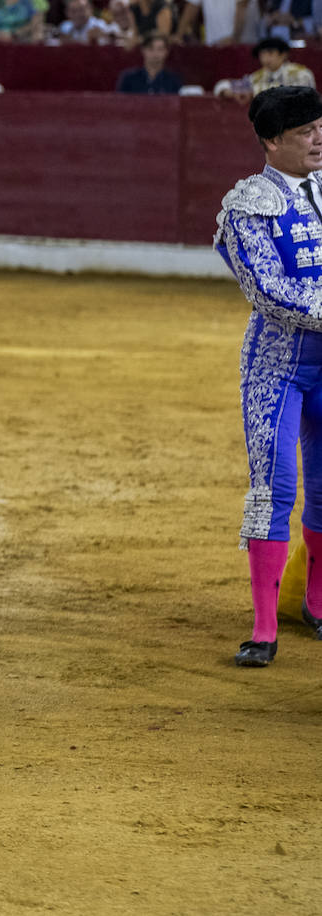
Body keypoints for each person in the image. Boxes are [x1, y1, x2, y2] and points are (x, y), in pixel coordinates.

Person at [214, 86, 322, 667]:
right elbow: (266, 290)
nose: (319, 138)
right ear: (272, 140)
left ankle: (318, 603)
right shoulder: (246, 204)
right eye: (306, 131)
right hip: (276, 369)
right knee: (274, 490)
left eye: (321, 127)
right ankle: (263, 628)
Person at [215, 37, 317, 100]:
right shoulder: (258, 76)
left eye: (270, 53)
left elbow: (291, 93)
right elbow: (222, 85)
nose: (265, 59)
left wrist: (253, 92)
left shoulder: (300, 73)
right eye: (262, 55)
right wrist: (227, 91)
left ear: (283, 55)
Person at [115, 33, 182, 93]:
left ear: (166, 52)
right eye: (151, 49)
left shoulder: (173, 80)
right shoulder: (128, 78)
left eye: (160, 49)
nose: (155, 54)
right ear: (143, 50)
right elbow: (119, 103)